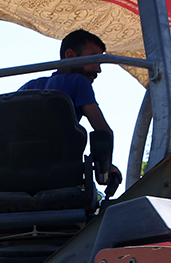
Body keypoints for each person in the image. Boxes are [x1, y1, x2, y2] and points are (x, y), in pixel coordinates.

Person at [19, 28, 121, 183]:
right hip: (57, 176)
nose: (98, 69)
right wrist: (106, 169)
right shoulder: (78, 81)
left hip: (18, 175)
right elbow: (103, 131)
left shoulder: (30, 86)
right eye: (93, 59)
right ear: (70, 56)